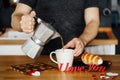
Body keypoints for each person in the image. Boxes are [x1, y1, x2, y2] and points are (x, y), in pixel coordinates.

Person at [11, 0, 100, 56]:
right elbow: (16, 16)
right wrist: (22, 22)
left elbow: (93, 21)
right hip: (41, 57)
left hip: (76, 56)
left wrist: (82, 40)